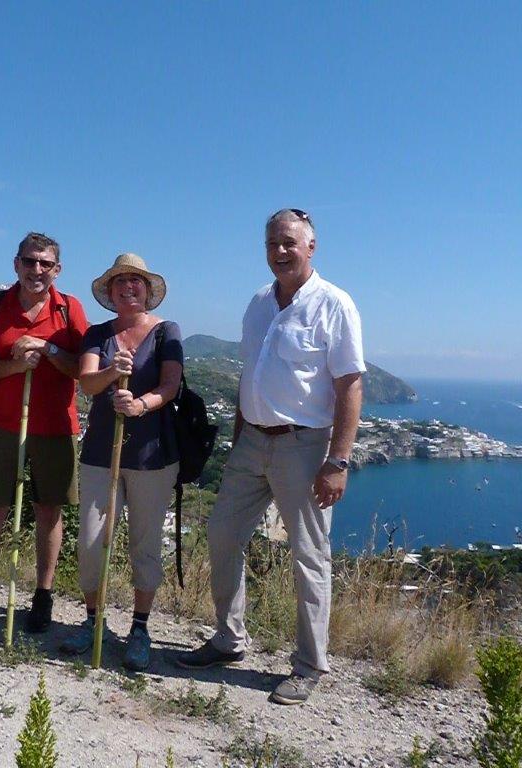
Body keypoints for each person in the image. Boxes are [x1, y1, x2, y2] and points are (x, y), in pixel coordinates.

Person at [176, 209, 365, 705]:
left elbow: (350, 384)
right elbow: (249, 377)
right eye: (271, 244)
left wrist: (338, 460)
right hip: (252, 441)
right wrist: (240, 436)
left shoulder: (335, 304)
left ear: (311, 246)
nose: (279, 251)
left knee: (308, 555)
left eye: (289, 243)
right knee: (222, 534)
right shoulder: (259, 302)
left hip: (304, 445)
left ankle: (308, 665)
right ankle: (228, 638)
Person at [60, 253, 183, 671]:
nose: (129, 288)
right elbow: (88, 382)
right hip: (99, 454)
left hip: (152, 457)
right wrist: (114, 371)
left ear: (147, 291)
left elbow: (170, 385)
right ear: (110, 293)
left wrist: (140, 405)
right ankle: (93, 620)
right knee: (92, 543)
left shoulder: (167, 332)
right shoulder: (98, 335)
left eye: (136, 282)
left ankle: (140, 627)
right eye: (120, 283)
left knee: (145, 546)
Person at [0, 232, 88, 631]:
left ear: (57, 269)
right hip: (3, 424)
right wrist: (14, 367)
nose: (36, 270)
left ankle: (43, 595)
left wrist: (49, 350)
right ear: (16, 264)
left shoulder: (70, 309)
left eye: (45, 263)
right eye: (29, 261)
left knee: (48, 510)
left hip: (55, 426)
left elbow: (82, 370)